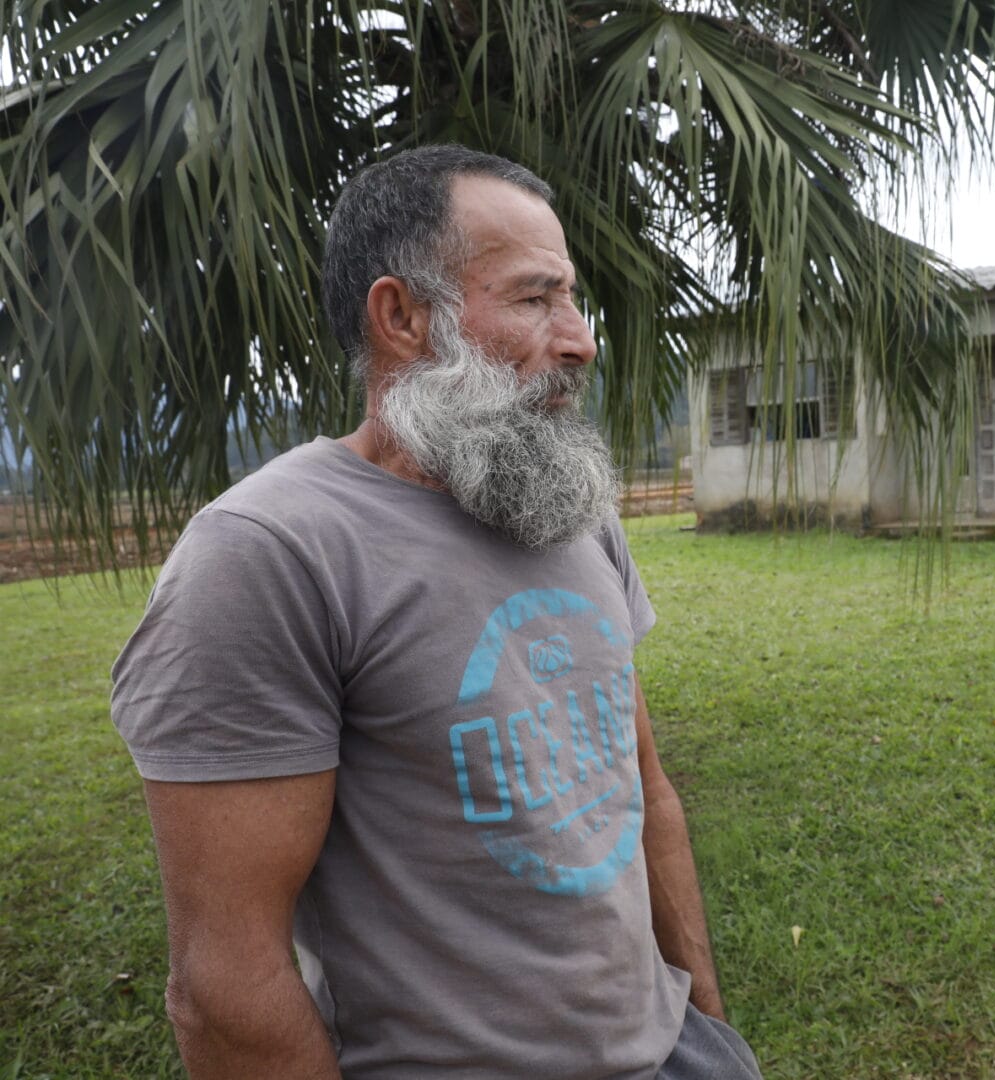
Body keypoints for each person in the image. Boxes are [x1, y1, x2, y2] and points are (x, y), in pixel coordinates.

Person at [111, 145, 762, 1080]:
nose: (580, 339)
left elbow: (642, 788)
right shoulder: (269, 553)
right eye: (536, 299)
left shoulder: (568, 507)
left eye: (572, 300)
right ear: (404, 316)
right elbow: (224, 981)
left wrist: (705, 1019)